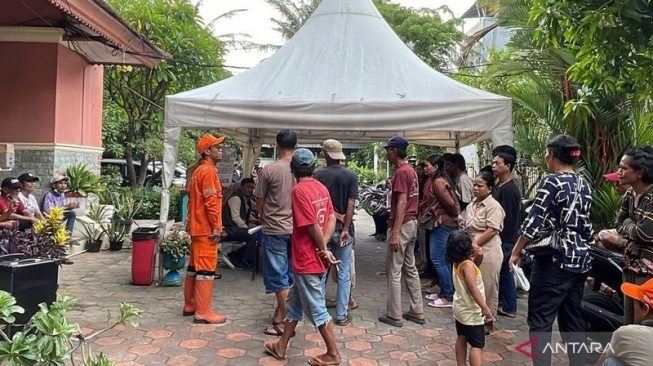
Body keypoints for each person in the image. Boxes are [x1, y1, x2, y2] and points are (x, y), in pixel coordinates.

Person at [509, 134, 592, 366]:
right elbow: (586, 225)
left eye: (547, 152)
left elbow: (533, 220)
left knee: (540, 321)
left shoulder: (551, 181)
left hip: (554, 261)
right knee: (572, 319)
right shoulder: (584, 184)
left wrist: (516, 252)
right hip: (580, 261)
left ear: (552, 154)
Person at [262, 148, 341, 365]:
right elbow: (332, 218)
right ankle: (281, 346)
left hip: (307, 259)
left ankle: (333, 353)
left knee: (317, 308)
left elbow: (311, 225)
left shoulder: (299, 191)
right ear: (313, 168)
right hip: (313, 258)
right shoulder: (321, 188)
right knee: (294, 304)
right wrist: (324, 247)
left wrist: (321, 248)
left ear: (292, 169)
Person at [378, 136, 425, 327]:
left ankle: (394, 314)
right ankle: (417, 310)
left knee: (394, 270)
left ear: (394, 151)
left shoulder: (401, 172)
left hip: (402, 224)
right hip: (412, 223)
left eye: (388, 150)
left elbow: (403, 201)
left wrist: (395, 231)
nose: (386, 153)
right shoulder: (411, 171)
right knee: (410, 268)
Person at [255, 129, 297, 336]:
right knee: (289, 274)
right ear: (296, 147)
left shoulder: (269, 170)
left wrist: (262, 216)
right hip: (296, 229)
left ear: (277, 146)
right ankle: (279, 317)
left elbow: (259, 200)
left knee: (278, 277)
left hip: (274, 228)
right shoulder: (302, 170)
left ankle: (286, 322)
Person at [183, 133, 227, 324]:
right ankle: (203, 311)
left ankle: (190, 304)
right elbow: (211, 202)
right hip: (205, 229)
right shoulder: (208, 172)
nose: (221, 150)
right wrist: (217, 227)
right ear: (207, 151)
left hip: (197, 227)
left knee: (194, 267)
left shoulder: (198, 171)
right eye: (217, 147)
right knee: (206, 270)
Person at [314, 139, 358, 326]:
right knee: (344, 273)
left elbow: (316, 204)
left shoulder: (316, 175)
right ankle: (341, 315)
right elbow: (351, 204)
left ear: (325, 154)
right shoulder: (351, 176)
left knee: (321, 272)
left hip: (322, 230)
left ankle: (319, 314)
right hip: (343, 232)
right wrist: (346, 228)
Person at [614, 147, 653, 325]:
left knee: (643, 323)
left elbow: (644, 233)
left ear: (640, 173)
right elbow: (618, 223)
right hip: (630, 264)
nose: (619, 172)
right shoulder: (630, 194)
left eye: (623, 168)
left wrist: (629, 224)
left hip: (648, 272)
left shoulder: (651, 197)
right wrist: (631, 225)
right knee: (629, 320)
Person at [464, 171, 505, 332]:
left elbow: (492, 230)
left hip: (488, 252)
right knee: (472, 286)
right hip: (471, 251)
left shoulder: (494, 206)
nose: (475, 188)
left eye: (479, 186)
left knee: (488, 287)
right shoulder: (472, 205)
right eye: (474, 185)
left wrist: (474, 244)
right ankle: (474, 319)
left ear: (489, 188)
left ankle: (488, 323)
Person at [447, 230, 493, 366]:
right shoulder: (467, 266)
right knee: (476, 344)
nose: (476, 243)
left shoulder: (459, 262)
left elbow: (476, 264)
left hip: (461, 309)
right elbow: (473, 288)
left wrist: (479, 255)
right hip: (472, 312)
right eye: (473, 242)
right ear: (466, 247)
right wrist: (484, 307)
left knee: (461, 337)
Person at [419, 154, 460, 307]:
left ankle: (448, 296)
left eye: (427, 165)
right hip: (443, 223)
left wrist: (453, 214)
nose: (424, 168)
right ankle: (444, 291)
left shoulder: (438, 182)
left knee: (438, 259)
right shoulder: (438, 180)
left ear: (436, 167)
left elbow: (450, 203)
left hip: (443, 224)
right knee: (442, 259)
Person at [491, 150, 521, 318]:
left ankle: (510, 306)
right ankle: (505, 302)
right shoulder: (499, 186)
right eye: (493, 163)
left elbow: (507, 218)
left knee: (506, 271)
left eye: (498, 163)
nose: (494, 166)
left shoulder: (509, 189)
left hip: (506, 238)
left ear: (508, 166)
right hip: (502, 238)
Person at [596, 279, 653, 366]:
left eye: (635, 303)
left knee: (610, 361)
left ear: (645, 309)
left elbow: (600, 363)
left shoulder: (627, 333)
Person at [222, 178, 257, 269]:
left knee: (257, 233)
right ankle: (247, 263)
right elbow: (235, 218)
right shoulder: (236, 198)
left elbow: (253, 209)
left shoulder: (246, 199)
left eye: (252, 188)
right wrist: (247, 229)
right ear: (241, 187)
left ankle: (235, 256)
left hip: (234, 228)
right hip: (229, 230)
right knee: (253, 236)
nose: (250, 190)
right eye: (248, 187)